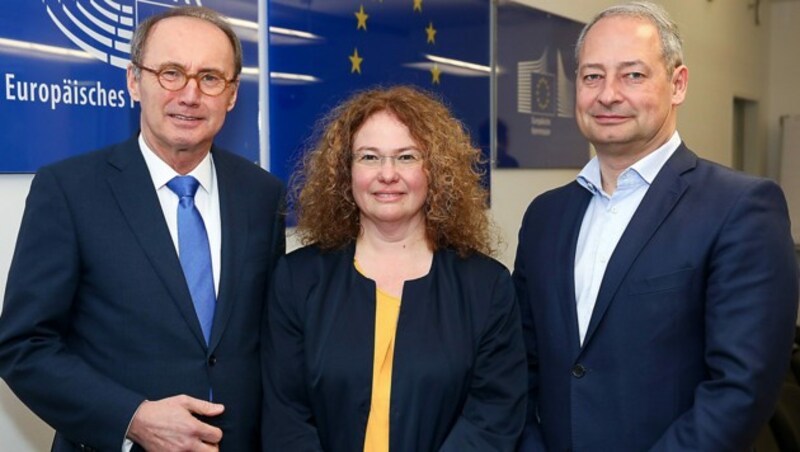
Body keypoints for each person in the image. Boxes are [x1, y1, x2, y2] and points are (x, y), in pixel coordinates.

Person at [513, 2, 798, 451]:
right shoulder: (545, 217)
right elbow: (522, 364)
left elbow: (740, 389)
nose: (608, 94)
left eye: (633, 75)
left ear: (678, 84)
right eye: (592, 76)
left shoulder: (740, 208)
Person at [0, 6, 285, 451]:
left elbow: (269, 341)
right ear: (135, 81)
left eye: (210, 78)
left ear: (231, 95)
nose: (190, 95)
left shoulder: (263, 195)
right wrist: (132, 418)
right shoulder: (69, 190)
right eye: (170, 73)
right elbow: (24, 346)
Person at [262, 85, 527, 451]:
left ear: (435, 170)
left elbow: (494, 415)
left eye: (406, 157)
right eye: (369, 157)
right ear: (345, 172)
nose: (387, 174)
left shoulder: (487, 287)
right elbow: (286, 417)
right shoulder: (297, 280)